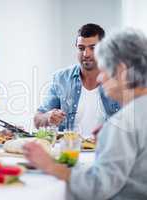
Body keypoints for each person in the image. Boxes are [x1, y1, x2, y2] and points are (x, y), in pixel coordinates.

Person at [24, 29, 147, 200]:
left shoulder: (122, 123)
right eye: (81, 48)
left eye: (104, 70)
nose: (99, 78)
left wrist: (50, 165)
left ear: (121, 70)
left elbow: (98, 188)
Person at [34, 23, 120, 137]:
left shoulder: (119, 79)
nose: (86, 54)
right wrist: (48, 117)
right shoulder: (61, 79)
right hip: (69, 150)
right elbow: (37, 119)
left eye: (93, 48)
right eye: (81, 48)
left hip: (107, 151)